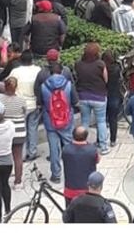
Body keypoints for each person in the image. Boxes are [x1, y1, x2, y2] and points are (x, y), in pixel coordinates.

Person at [39, 53, 79, 184]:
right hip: (66, 119)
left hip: (50, 120)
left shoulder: (44, 86)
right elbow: (75, 101)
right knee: (68, 145)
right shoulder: (68, 84)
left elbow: (41, 103)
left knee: (53, 148)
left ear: (50, 72)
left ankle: (56, 175)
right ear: (61, 71)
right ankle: (72, 172)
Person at [75, 42, 111, 155]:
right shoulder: (101, 64)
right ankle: (103, 146)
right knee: (101, 121)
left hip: (83, 96)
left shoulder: (78, 64)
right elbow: (106, 80)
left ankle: (82, 143)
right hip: (99, 96)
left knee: (85, 121)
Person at [9, 51, 43, 162]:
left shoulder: (15, 72)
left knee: (21, 130)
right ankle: (32, 152)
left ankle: (22, 155)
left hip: (20, 104)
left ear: (20, 60)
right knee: (32, 128)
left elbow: (8, 83)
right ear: (32, 59)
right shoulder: (38, 70)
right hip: (34, 103)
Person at [0, 76, 28, 187]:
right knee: (18, 157)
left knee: (4, 156)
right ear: (16, 87)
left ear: (5, 86)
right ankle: (18, 182)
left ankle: (3, 180)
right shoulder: (21, 100)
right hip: (19, 131)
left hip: (4, 132)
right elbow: (24, 113)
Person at [62, 126, 100, 203]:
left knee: (70, 212)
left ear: (73, 136)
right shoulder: (92, 150)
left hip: (70, 190)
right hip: (88, 190)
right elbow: (97, 159)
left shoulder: (66, 149)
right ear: (86, 136)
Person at [102, 50, 124, 146]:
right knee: (113, 119)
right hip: (115, 95)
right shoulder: (117, 68)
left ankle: (101, 140)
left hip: (104, 95)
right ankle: (113, 140)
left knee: (101, 120)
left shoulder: (103, 69)